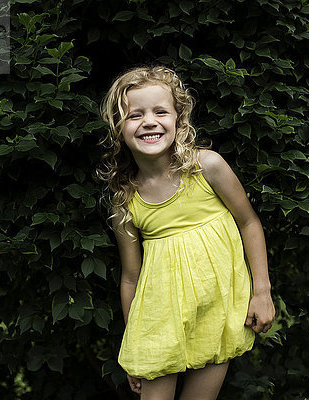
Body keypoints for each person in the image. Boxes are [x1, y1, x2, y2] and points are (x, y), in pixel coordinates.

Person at [95, 65, 275, 400]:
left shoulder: (207, 167)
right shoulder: (125, 202)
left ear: (179, 119)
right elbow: (131, 278)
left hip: (217, 314)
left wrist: (262, 292)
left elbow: (249, 222)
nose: (149, 121)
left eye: (160, 111)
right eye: (135, 115)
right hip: (159, 323)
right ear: (119, 129)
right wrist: (135, 346)